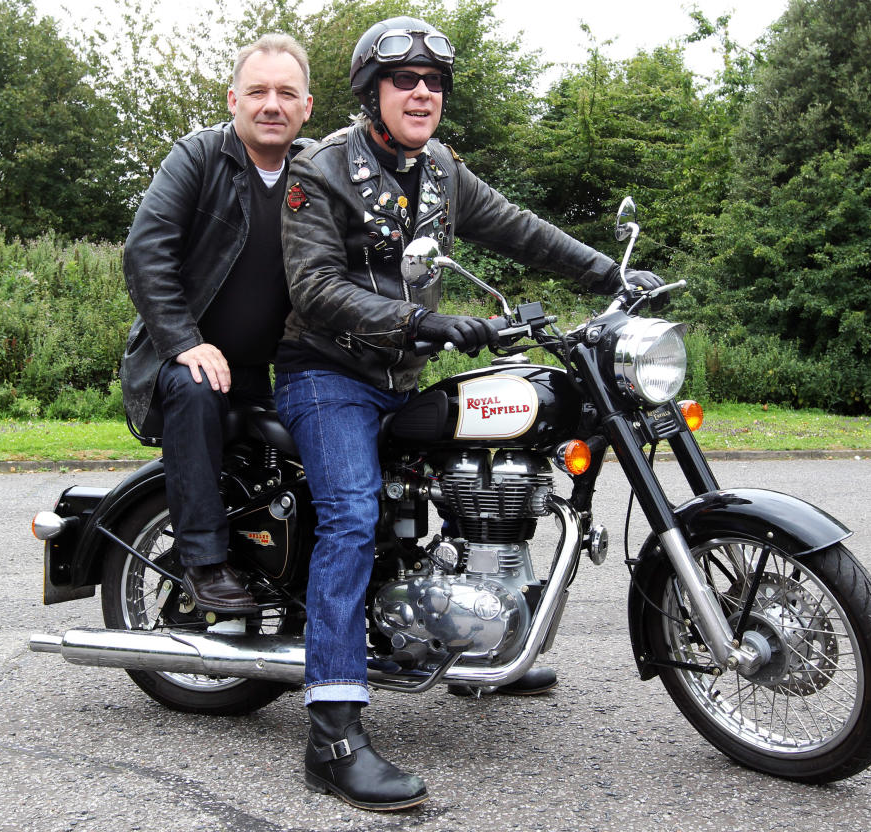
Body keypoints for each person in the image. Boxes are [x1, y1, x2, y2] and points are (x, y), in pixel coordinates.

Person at [276, 16, 664, 812]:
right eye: (404, 80)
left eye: (434, 82)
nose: (422, 92)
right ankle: (333, 735)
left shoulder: (442, 171)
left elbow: (518, 227)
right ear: (370, 92)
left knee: (496, 464)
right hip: (328, 373)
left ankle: (475, 637)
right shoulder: (319, 171)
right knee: (351, 516)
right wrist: (422, 323)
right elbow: (314, 288)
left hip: (402, 373)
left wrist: (610, 276)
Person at [120, 34, 313, 615]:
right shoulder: (199, 157)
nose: (271, 104)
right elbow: (145, 253)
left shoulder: (316, 172)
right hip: (177, 364)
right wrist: (184, 342)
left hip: (264, 368)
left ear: (307, 107)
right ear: (233, 100)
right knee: (202, 382)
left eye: (286, 93)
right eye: (257, 91)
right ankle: (202, 563)